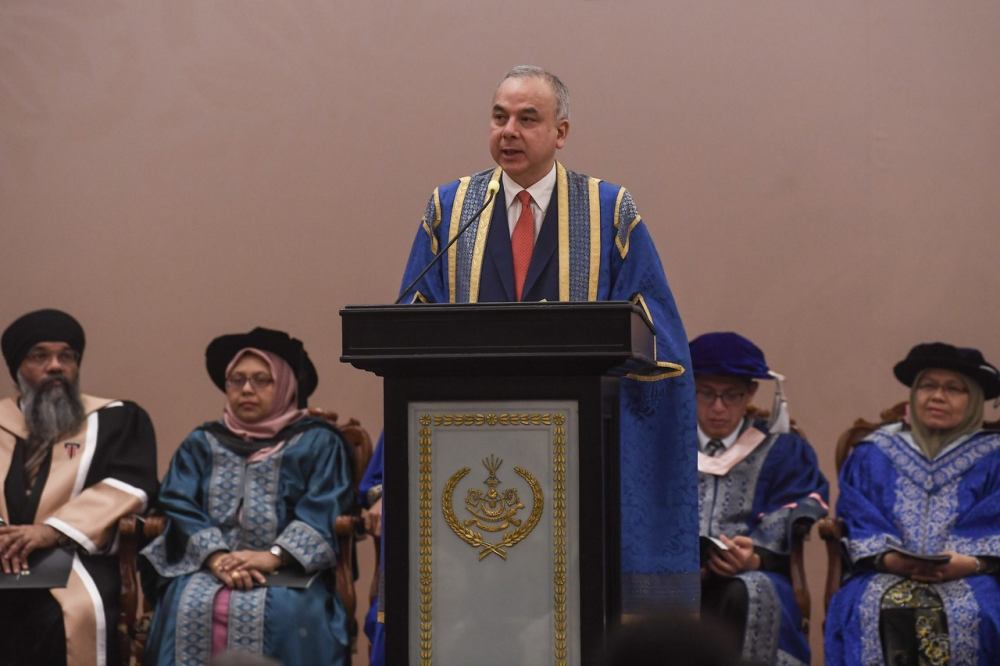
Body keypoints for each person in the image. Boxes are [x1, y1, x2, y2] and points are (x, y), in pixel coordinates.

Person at [366, 64, 696, 660]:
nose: (508, 132)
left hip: (575, 458)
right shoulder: (451, 207)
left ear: (561, 131)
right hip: (464, 454)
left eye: (527, 119)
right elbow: (410, 325)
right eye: (499, 117)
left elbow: (657, 335)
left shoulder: (608, 210)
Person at [140, 327, 352, 666]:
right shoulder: (202, 442)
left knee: (286, 612)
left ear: (286, 386)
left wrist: (272, 556)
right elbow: (177, 502)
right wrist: (217, 557)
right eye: (236, 381)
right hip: (208, 566)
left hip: (290, 573)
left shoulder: (318, 442)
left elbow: (326, 507)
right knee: (186, 604)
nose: (247, 390)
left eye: (261, 380)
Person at [0, 308, 159, 666]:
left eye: (66, 356)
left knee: (68, 616)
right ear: (17, 369)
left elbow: (130, 486)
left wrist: (52, 532)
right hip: (4, 558)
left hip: (76, 557)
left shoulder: (116, 419)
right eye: (40, 356)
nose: (55, 365)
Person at [825, 342, 1000, 665]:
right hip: (883, 572)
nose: (936, 396)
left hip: (972, 577)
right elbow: (856, 514)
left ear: (974, 400)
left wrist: (972, 563)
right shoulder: (874, 452)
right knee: (871, 605)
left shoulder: (994, 457)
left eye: (954, 389)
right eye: (928, 386)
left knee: (973, 612)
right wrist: (891, 560)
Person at [691, 332, 828, 666]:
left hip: (751, 568)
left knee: (748, 589)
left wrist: (756, 556)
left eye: (731, 395)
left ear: (751, 392)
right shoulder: (661, 447)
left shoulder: (782, 450)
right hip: (672, 571)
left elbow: (798, 503)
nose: (718, 407)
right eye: (706, 393)